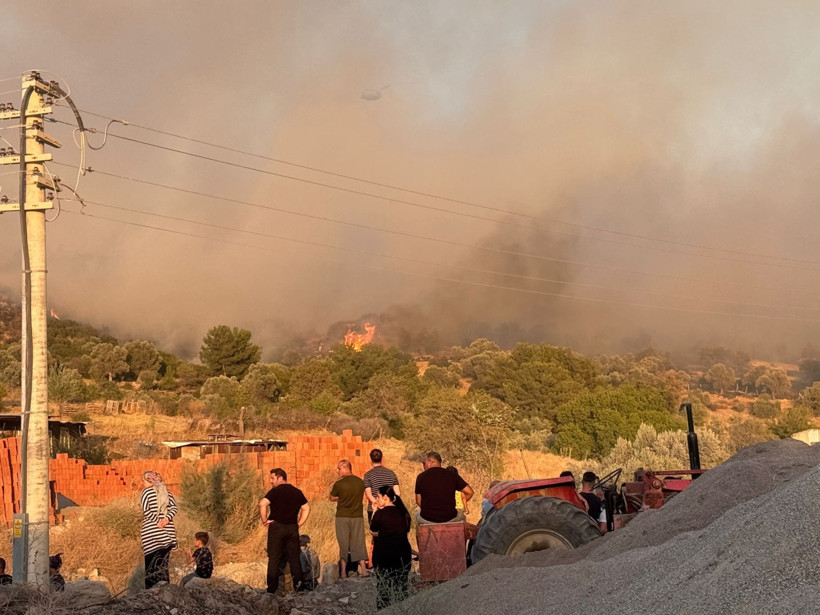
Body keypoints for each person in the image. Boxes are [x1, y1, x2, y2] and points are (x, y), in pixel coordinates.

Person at [259, 467, 311, 594]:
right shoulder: (297, 492)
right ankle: (299, 587)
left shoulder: (275, 492)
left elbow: (262, 504)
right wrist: (299, 523)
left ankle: (272, 589)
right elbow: (306, 508)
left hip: (277, 527)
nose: (271, 481)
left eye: (272, 478)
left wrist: (264, 520)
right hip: (292, 528)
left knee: (274, 558)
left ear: (280, 477)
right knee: (294, 559)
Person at [370, 485, 412, 610]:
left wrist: (374, 511)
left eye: (378, 496)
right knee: (401, 587)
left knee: (384, 588)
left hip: (384, 556)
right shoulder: (403, 512)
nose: (377, 500)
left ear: (385, 497)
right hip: (403, 555)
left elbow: (373, 530)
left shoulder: (380, 514)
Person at [329, 459, 368, 578]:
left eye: (339, 468)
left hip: (342, 516)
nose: (337, 471)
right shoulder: (360, 482)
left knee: (343, 543)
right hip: (357, 516)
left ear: (346, 468)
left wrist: (339, 498)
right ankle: (364, 570)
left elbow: (331, 497)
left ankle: (343, 572)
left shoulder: (339, 484)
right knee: (359, 542)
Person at [140, 470, 178, 588]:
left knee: (151, 563)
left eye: (144, 481)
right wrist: (166, 519)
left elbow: (146, 511)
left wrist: (158, 522)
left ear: (148, 480)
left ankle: (151, 592)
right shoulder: (167, 492)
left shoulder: (146, 492)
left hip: (152, 533)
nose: (143, 484)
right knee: (163, 564)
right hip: (167, 532)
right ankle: (164, 589)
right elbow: (174, 508)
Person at [414, 452, 474, 524]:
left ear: (430, 462)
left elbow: (418, 501)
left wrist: (429, 508)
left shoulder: (421, 477)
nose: (423, 466)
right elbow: (470, 492)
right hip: (450, 517)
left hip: (427, 518)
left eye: (424, 463)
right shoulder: (452, 475)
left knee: (417, 514)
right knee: (463, 517)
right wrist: (458, 504)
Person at [363, 449, 400, 525]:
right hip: (389, 509)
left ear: (371, 459)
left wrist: (378, 504)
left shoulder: (368, 475)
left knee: (376, 534)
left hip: (374, 509)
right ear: (382, 458)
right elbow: (397, 493)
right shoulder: (391, 473)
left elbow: (368, 494)